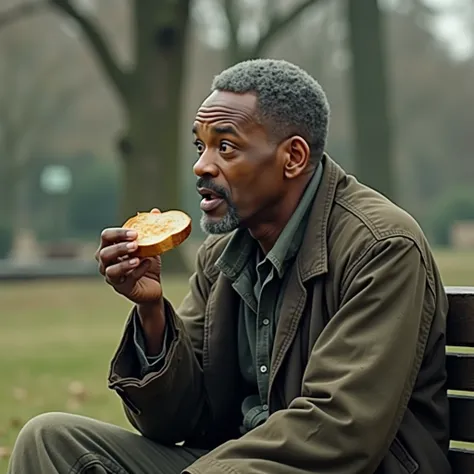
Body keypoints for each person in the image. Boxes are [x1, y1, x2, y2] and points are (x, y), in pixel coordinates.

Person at [7, 59, 451, 474]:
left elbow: (340, 429)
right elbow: (182, 420)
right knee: (48, 441)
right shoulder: (221, 256)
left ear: (293, 158)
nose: (202, 165)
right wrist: (152, 313)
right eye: (200, 145)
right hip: (232, 463)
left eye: (226, 147)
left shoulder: (381, 247)